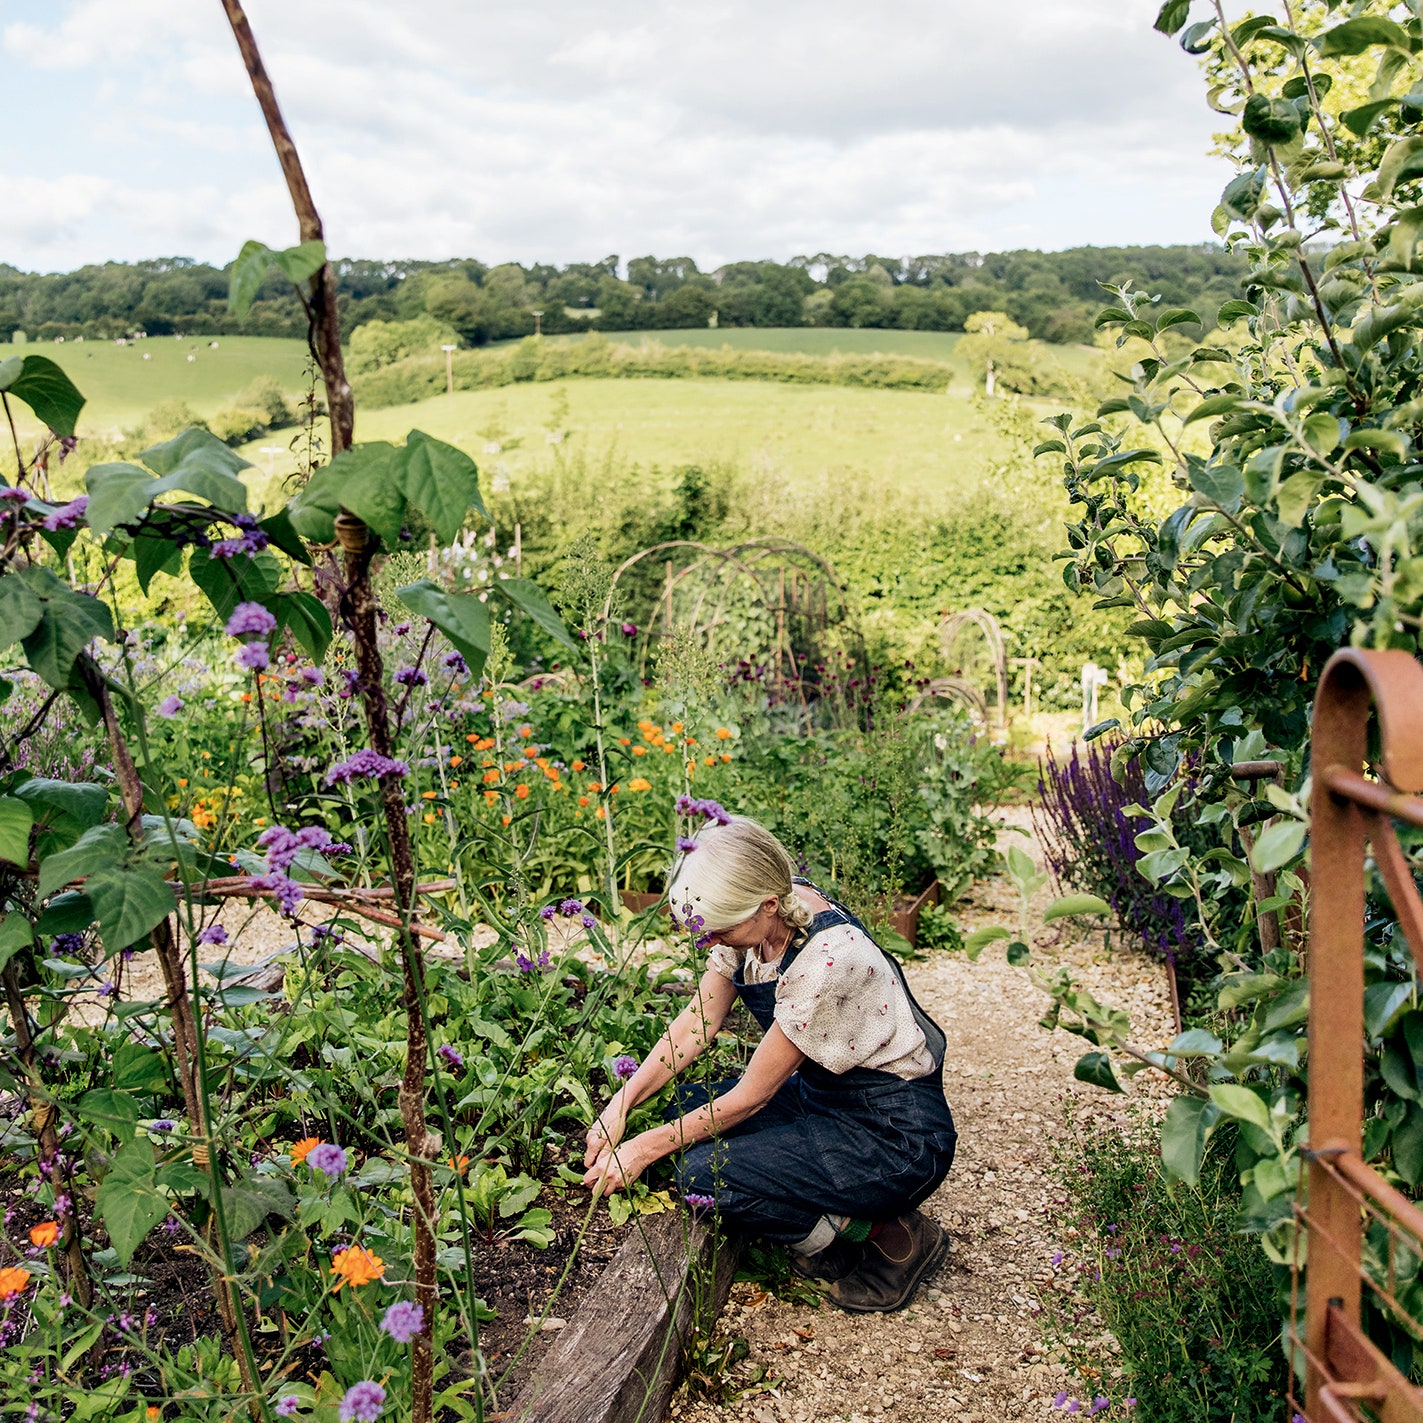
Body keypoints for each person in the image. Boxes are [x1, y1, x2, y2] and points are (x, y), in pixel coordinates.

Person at [582, 813, 956, 1312]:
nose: (707, 942)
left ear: (768, 905)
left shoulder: (825, 959)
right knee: (685, 1106)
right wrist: (620, 1105)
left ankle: (874, 1236)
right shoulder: (762, 912)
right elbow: (698, 1022)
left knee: (705, 1174)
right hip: (825, 1096)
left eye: (718, 930)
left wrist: (642, 1149)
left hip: (891, 1134)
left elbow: (752, 1096)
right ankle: (832, 1207)